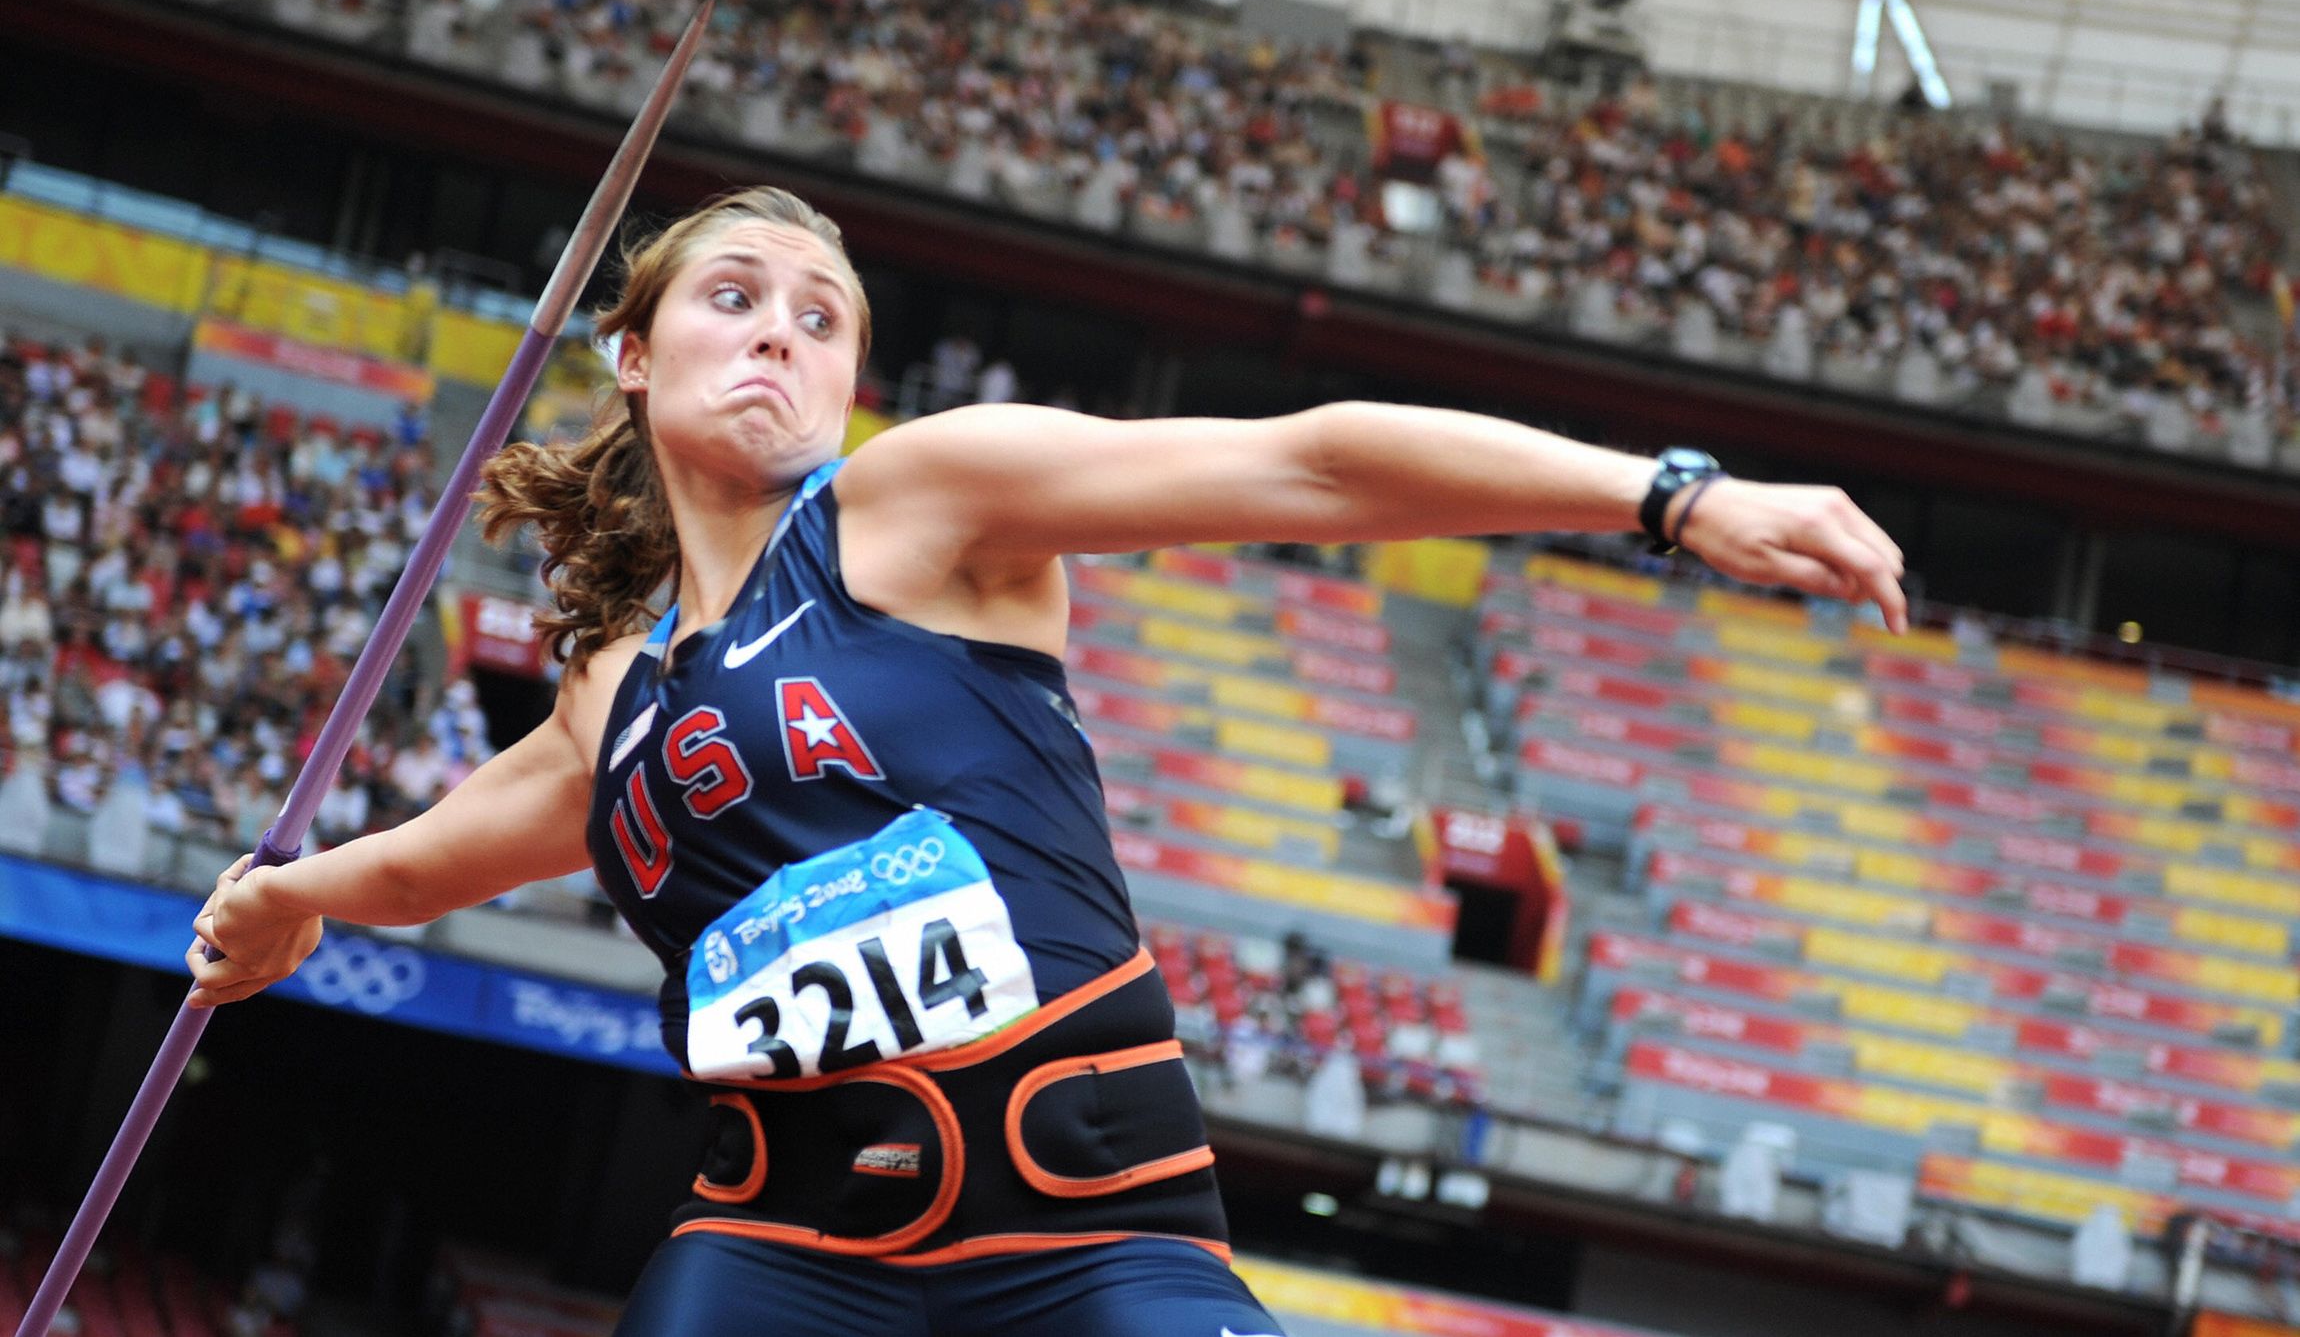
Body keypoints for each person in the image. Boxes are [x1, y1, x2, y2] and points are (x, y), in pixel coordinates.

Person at [182, 186, 1907, 1336]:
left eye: (824, 317)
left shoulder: (914, 505)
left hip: (1089, 1233)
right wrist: (285, 907)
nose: (783, 331)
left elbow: (1303, 467)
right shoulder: (606, 694)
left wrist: (1669, 496)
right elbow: (423, 855)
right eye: (734, 297)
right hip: (782, 1253)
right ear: (635, 359)